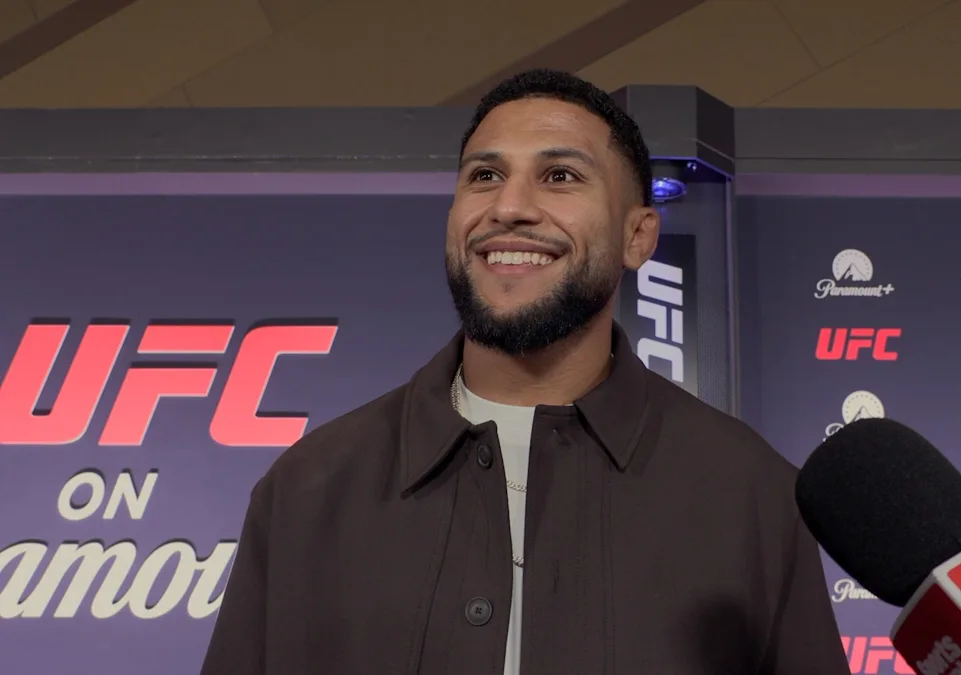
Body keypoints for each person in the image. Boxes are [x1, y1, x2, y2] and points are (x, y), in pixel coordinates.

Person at [199, 68, 849, 675]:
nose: (509, 206)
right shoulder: (308, 489)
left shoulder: (752, 495)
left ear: (639, 235)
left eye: (560, 176)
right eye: (483, 176)